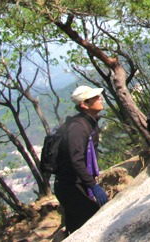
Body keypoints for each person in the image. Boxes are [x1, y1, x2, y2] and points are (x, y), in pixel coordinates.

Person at [54, 86, 109, 236]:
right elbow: (76, 159)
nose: (100, 98)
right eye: (95, 97)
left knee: (76, 230)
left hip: (78, 184)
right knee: (94, 223)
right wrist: (93, 186)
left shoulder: (90, 122)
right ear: (84, 105)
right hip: (69, 186)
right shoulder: (77, 128)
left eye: (99, 96)